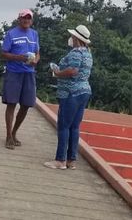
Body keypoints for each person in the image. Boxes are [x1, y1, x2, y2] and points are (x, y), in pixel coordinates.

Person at [44, 25, 93, 170]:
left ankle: (60, 160)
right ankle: (72, 160)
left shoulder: (75, 53)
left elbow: (72, 71)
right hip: (84, 91)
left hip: (71, 93)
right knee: (75, 126)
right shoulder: (88, 53)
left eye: (72, 36)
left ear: (76, 38)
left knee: (64, 126)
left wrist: (57, 73)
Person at [0, 9, 40, 150]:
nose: (26, 20)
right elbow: (3, 53)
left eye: (29, 18)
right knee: (11, 104)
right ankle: (8, 136)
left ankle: (14, 132)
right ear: (19, 19)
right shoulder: (11, 34)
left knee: (26, 105)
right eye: (24, 18)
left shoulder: (34, 34)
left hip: (29, 73)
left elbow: (37, 52)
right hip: (14, 72)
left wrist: (36, 60)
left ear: (32, 21)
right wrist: (19, 58)